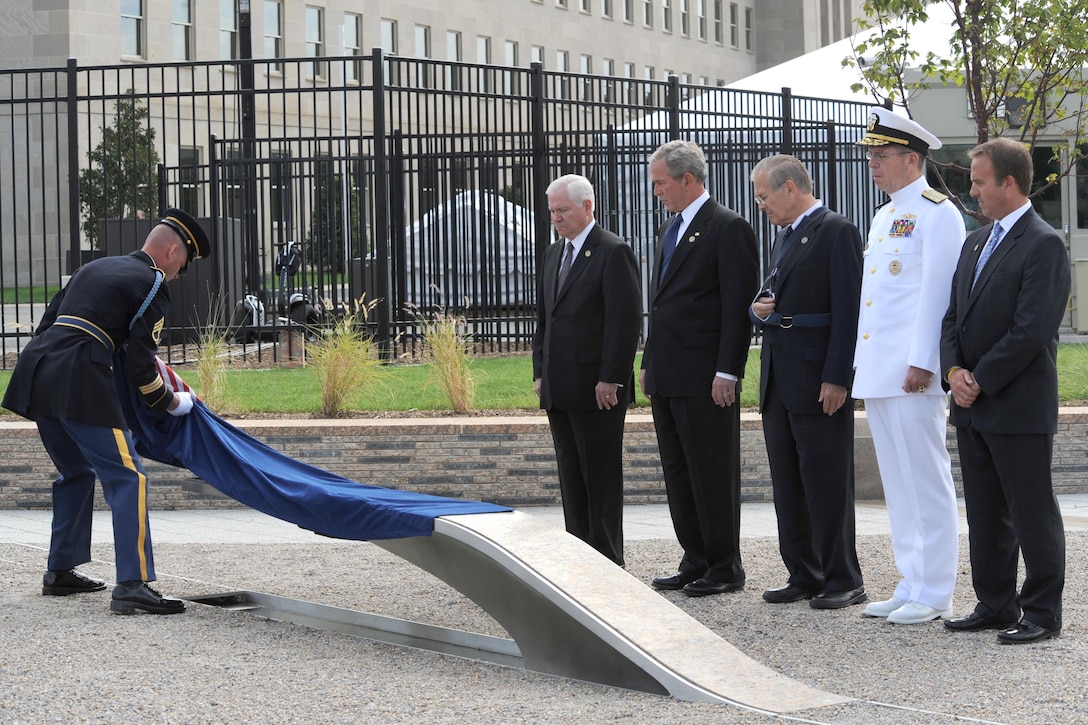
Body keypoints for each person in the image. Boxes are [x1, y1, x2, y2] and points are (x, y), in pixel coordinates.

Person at [3, 209, 211, 615]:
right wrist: (171, 402)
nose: (177, 275)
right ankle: (132, 585)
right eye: (182, 266)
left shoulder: (94, 267)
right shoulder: (152, 282)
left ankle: (60, 571)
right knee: (128, 477)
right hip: (80, 377)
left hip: (39, 370)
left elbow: (49, 322)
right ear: (172, 251)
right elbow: (138, 362)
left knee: (77, 471)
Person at [940, 137, 1070, 644]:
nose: (971, 191)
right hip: (972, 404)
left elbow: (1031, 329)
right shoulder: (976, 241)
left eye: (977, 182)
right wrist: (954, 373)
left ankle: (1040, 611)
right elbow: (953, 316)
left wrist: (980, 379)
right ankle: (994, 603)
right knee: (986, 510)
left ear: (1008, 183)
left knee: (1030, 511)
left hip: (1017, 404)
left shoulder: (1043, 243)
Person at [853, 107, 965, 624]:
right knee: (899, 483)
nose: (872, 163)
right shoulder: (884, 214)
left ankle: (936, 589)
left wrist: (924, 360)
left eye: (881, 155)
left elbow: (938, 294)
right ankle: (911, 579)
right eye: (872, 155)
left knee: (925, 478)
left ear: (911, 159)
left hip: (912, 373)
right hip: (881, 370)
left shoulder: (937, 212)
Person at [640, 140, 759, 597]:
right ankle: (695, 557)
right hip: (669, 372)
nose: (657, 192)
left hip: (707, 375)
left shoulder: (727, 227)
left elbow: (736, 307)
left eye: (661, 183)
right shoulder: (670, 230)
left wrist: (728, 370)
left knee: (711, 470)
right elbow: (662, 306)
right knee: (678, 470)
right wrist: (649, 362)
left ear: (688, 180)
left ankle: (724, 566)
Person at [748, 155, 866, 609]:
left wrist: (838, 377)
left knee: (826, 482)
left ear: (790, 189)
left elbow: (849, 310)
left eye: (764, 195)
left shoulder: (836, 231)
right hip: (781, 377)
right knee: (789, 482)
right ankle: (804, 571)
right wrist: (759, 311)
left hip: (819, 378)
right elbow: (775, 294)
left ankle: (843, 578)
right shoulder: (787, 234)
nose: (761, 204)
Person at [533, 174, 642, 566]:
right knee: (571, 475)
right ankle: (579, 557)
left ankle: (608, 560)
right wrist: (539, 373)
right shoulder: (552, 255)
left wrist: (612, 377)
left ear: (587, 206)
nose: (556, 218)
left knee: (600, 477)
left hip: (598, 389)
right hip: (559, 386)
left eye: (562, 210)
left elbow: (624, 321)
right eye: (552, 212)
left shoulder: (613, 251)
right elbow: (545, 319)